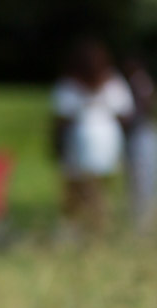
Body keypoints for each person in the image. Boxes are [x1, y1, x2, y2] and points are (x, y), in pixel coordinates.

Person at [51, 39, 134, 235]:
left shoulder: (70, 85)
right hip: (107, 140)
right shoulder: (112, 82)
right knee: (97, 188)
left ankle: (81, 228)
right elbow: (126, 114)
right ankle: (96, 227)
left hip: (80, 141)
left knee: (78, 189)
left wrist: (56, 146)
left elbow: (60, 120)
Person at [121, 56, 157, 232]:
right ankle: (142, 224)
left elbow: (148, 107)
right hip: (140, 136)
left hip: (142, 135)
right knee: (141, 181)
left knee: (144, 180)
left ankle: (145, 226)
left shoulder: (138, 81)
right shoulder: (139, 81)